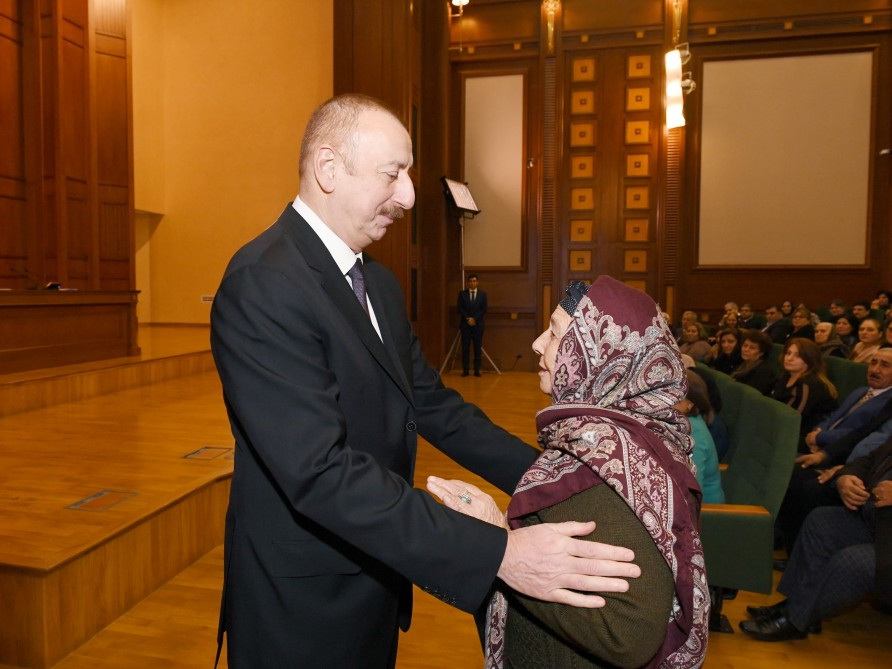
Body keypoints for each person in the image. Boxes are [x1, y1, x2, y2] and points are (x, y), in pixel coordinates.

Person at [209, 94, 638, 668]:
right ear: (329, 169)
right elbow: (320, 472)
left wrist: (556, 480)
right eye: (394, 174)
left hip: (374, 570)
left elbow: (435, 407)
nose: (409, 195)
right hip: (303, 598)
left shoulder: (378, 284)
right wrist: (497, 552)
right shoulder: (264, 282)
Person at [429, 277, 708, 669]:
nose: (537, 343)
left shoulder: (610, 463)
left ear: (601, 355)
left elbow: (628, 636)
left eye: (556, 333)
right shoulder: (609, 439)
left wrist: (498, 541)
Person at [740, 439, 892, 641]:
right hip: (880, 523)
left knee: (854, 562)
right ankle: (799, 608)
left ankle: (795, 619)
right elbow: (870, 458)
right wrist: (846, 476)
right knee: (822, 522)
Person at [769, 338, 838, 438]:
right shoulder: (786, 375)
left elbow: (792, 419)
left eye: (797, 356)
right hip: (785, 429)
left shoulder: (809, 384)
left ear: (809, 360)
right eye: (788, 353)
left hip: (804, 436)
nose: (789, 358)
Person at [677, 370, 726, 503]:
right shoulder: (683, 423)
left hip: (705, 513)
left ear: (690, 404)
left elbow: (691, 490)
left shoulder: (693, 432)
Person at [457, 273, 487, 377]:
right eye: (470, 281)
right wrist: (468, 319)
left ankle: (476, 370)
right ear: (468, 282)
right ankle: (465, 370)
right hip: (465, 325)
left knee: (477, 348)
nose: (472, 283)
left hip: (478, 325)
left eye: (474, 281)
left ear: (477, 282)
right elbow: (460, 308)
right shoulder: (462, 294)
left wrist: (474, 319)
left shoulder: (483, 295)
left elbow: (484, 309)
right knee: (465, 348)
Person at [730, 329, 777, 395]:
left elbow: (752, 395)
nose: (746, 350)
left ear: (761, 353)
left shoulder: (764, 371)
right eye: (745, 345)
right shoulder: (742, 364)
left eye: (752, 348)